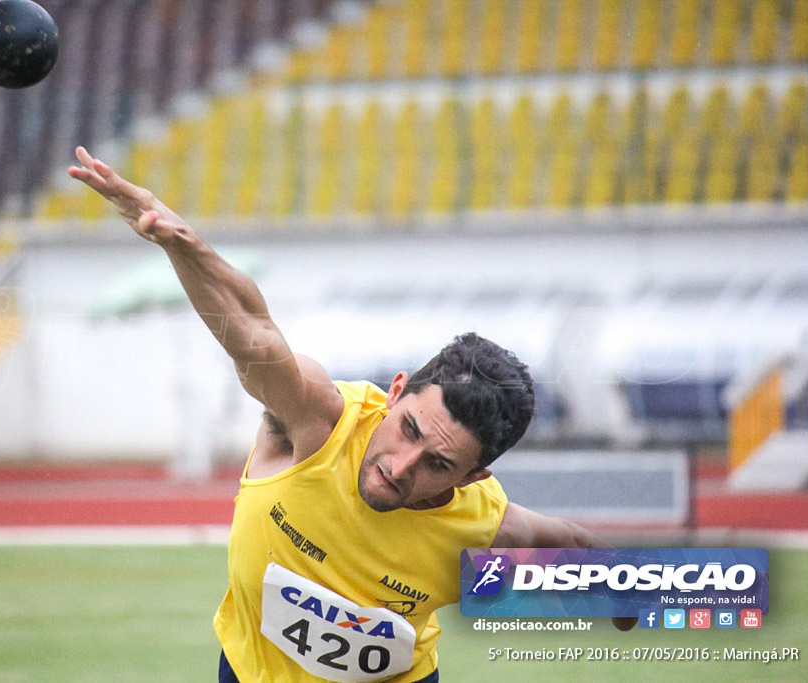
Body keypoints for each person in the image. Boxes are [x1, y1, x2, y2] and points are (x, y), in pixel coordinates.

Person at [68, 147, 633, 683]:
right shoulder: (314, 421)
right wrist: (183, 245)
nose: (400, 466)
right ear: (395, 391)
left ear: (473, 477)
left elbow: (573, 544)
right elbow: (253, 335)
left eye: (438, 463)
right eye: (408, 428)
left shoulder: (482, 526)